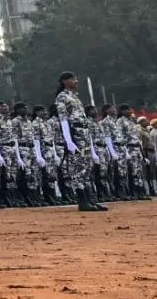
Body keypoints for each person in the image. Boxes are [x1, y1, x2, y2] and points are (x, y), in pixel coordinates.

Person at [54, 71, 105, 212]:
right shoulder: (62, 97)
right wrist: (68, 140)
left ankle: (90, 200)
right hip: (75, 135)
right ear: (64, 81)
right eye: (73, 79)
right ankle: (82, 201)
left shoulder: (75, 96)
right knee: (78, 168)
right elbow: (63, 119)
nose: (76, 81)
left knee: (86, 167)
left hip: (84, 135)